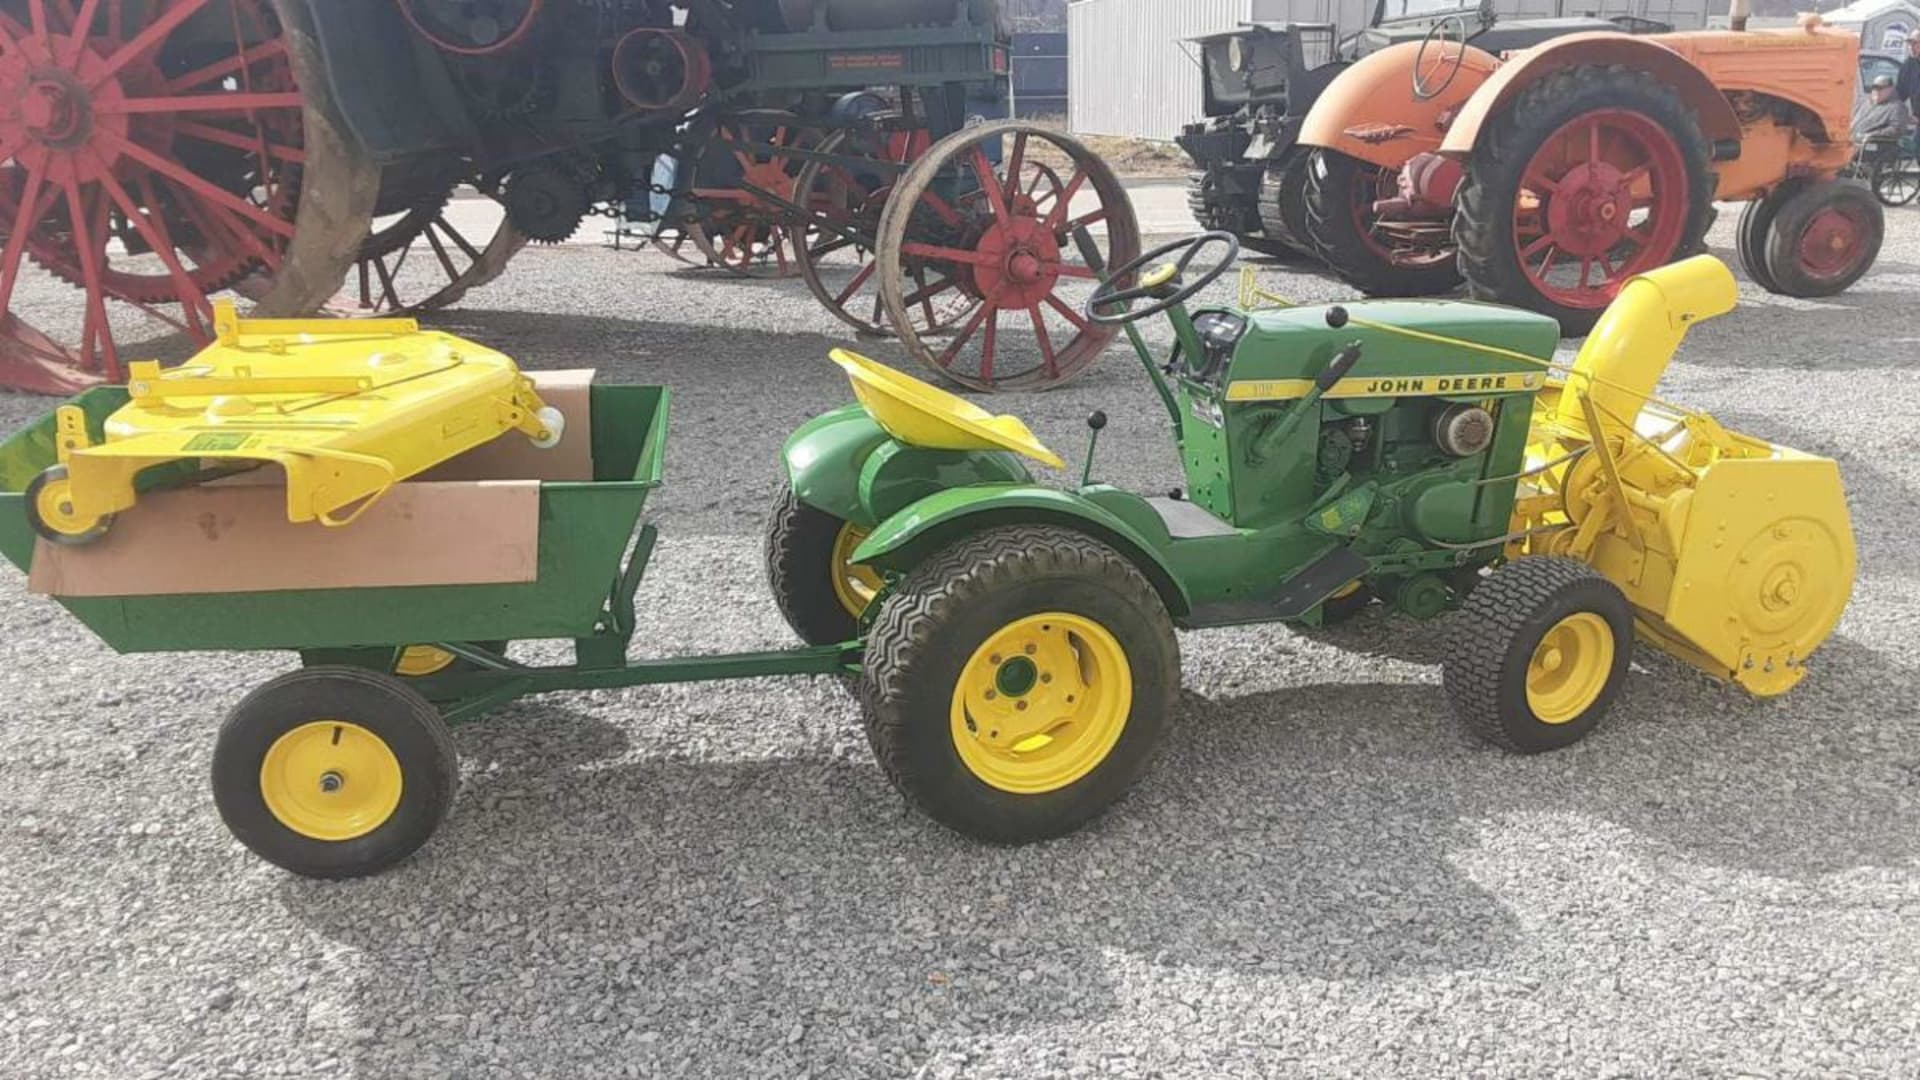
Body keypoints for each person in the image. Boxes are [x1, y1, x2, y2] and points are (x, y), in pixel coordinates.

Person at [1858, 73, 1914, 141]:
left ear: (1890, 89)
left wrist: (1872, 135)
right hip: (1852, 139)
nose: (1876, 91)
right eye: (1874, 88)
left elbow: (1896, 130)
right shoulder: (1865, 102)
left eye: (1880, 88)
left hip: (1872, 145)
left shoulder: (1897, 107)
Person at [1900, 29, 1920, 123]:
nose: (1911, 47)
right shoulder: (1909, 65)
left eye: (1915, 44)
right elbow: (1901, 91)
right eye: (1909, 44)